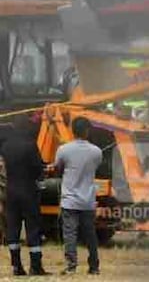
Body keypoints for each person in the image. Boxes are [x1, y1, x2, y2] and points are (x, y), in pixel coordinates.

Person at [52, 116, 102, 275]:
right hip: (88, 200)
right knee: (90, 235)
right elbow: (96, 166)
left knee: (70, 235)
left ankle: (71, 266)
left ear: (72, 131)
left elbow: (57, 168)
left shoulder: (63, 150)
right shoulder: (96, 151)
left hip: (70, 201)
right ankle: (94, 266)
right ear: (87, 131)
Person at [2, 115, 48, 276]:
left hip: (11, 191)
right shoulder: (30, 145)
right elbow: (37, 168)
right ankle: (35, 266)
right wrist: (42, 173)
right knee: (32, 228)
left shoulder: (6, 146)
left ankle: (16, 266)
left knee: (13, 228)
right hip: (28, 190)